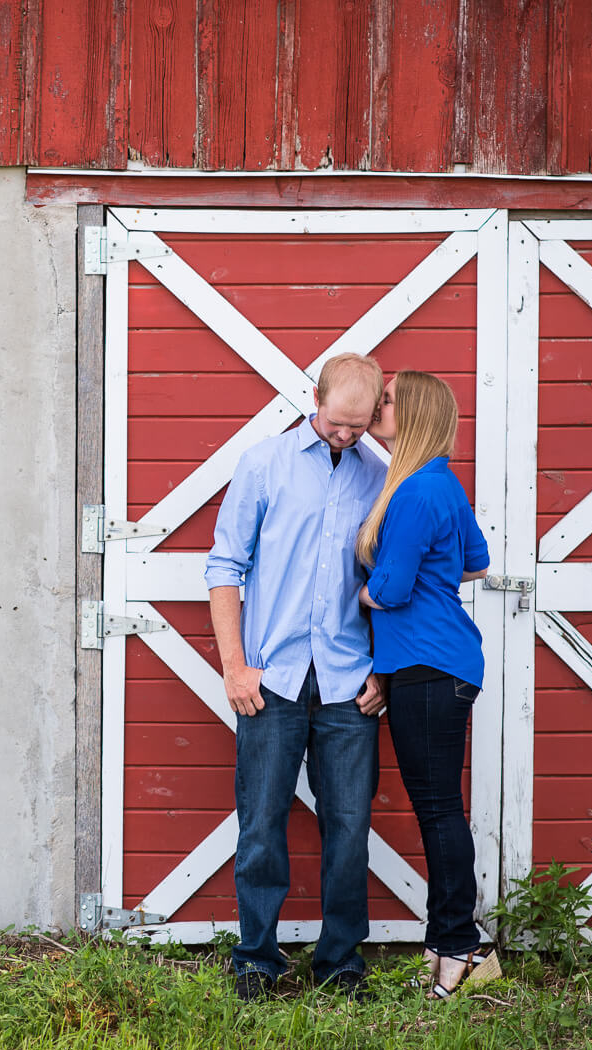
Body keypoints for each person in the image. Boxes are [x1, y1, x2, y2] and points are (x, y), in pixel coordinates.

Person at [205, 352, 389, 1001]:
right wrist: (233, 667)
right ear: (316, 398)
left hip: (348, 685)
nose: (345, 435)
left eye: (358, 426)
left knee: (348, 831)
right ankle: (255, 959)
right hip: (271, 681)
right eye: (337, 422)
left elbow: (395, 585)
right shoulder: (265, 464)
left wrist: (385, 673)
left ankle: (340, 963)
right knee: (260, 826)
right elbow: (225, 566)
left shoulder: (381, 476)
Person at [357, 370, 496, 999]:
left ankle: (460, 948)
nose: (376, 406)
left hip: (429, 667)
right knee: (441, 807)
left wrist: (362, 592)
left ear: (412, 414)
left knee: (438, 809)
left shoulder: (414, 491)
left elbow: (389, 589)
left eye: (386, 400)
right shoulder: (441, 482)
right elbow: (476, 560)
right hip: (443, 663)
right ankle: (453, 946)